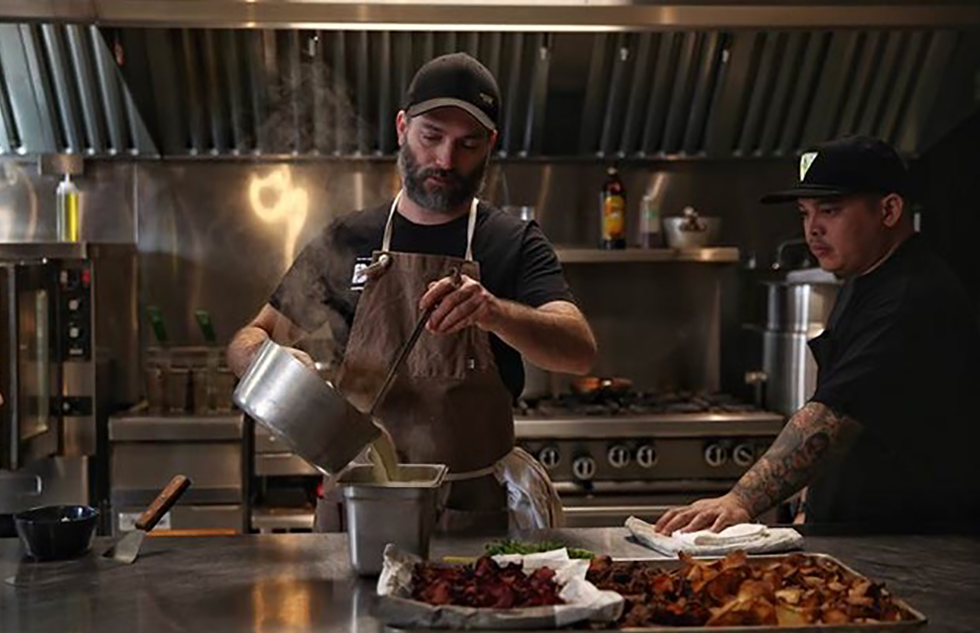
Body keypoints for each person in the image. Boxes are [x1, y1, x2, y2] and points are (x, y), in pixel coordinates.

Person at [228, 53, 596, 532]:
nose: (445, 160)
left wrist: (495, 312)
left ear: (491, 145)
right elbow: (247, 339)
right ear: (402, 127)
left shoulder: (511, 242)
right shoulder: (347, 239)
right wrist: (270, 362)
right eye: (431, 137)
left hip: (472, 516)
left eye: (467, 144)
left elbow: (579, 350)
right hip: (359, 511)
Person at [658, 135, 980, 534]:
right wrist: (811, 503)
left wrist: (740, 500)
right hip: (857, 533)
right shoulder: (865, 279)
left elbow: (832, 415)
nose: (813, 229)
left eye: (830, 210)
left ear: (890, 209)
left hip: (909, 543)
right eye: (804, 213)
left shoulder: (911, 297)